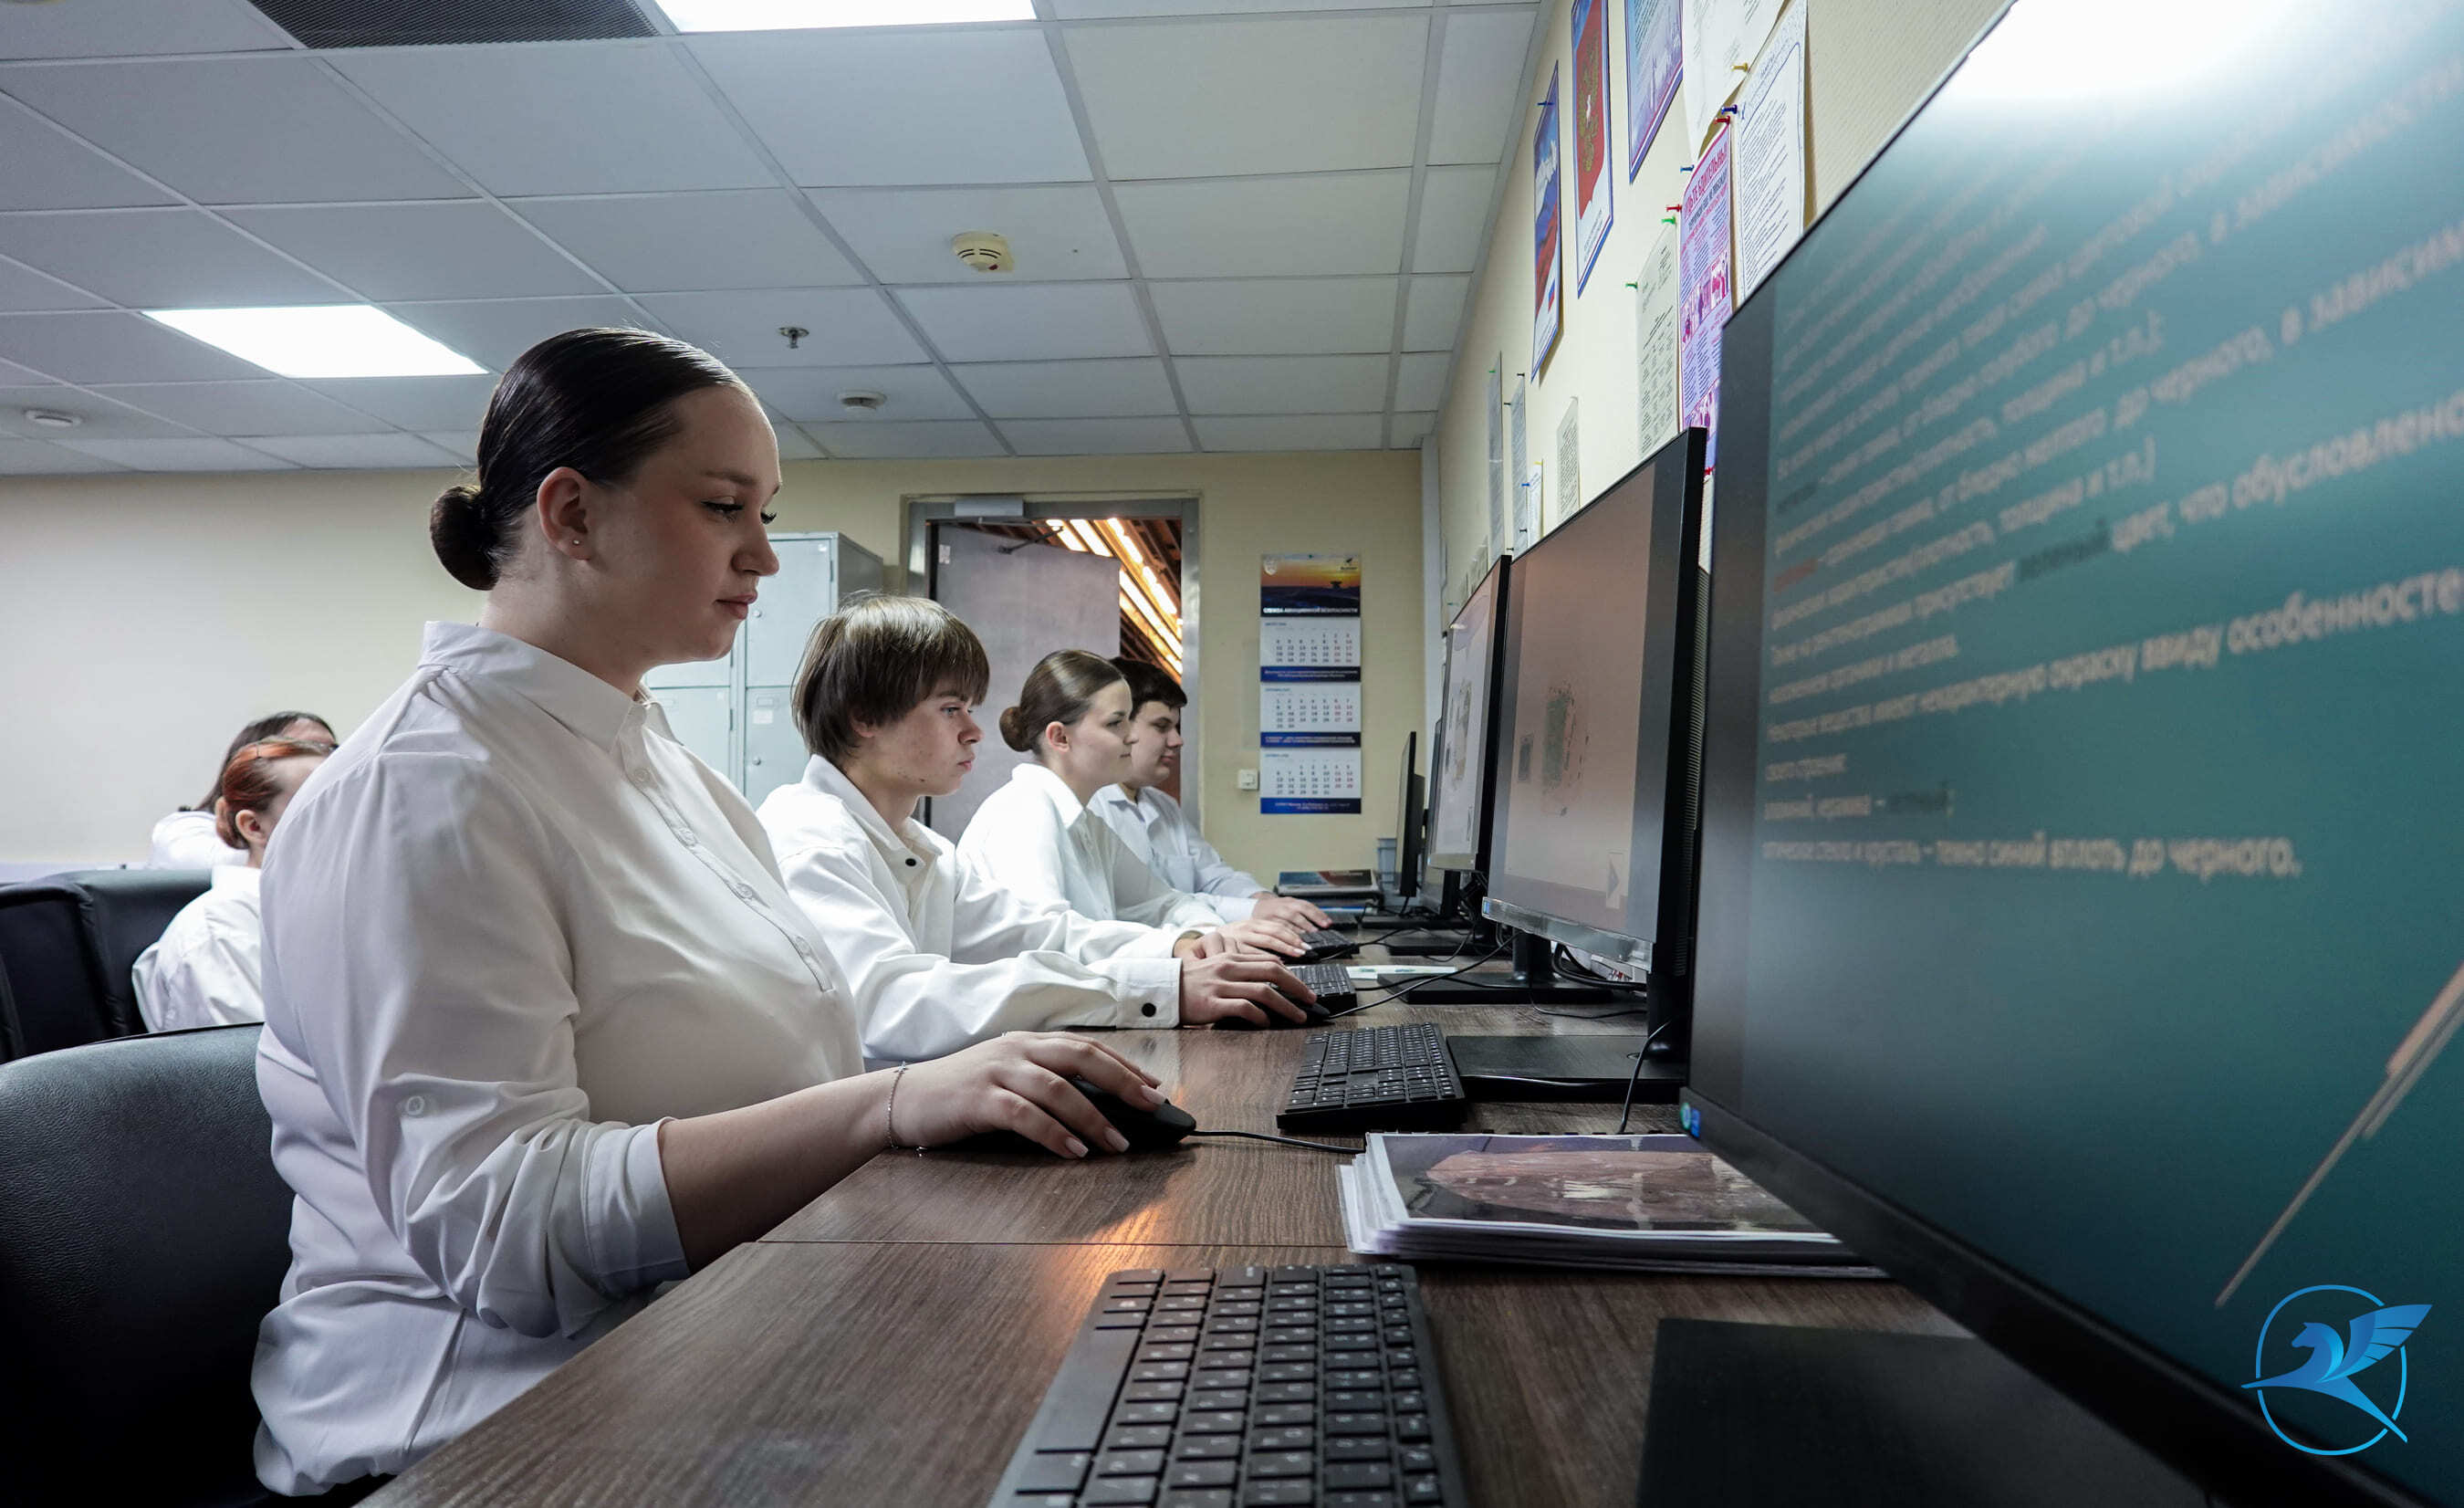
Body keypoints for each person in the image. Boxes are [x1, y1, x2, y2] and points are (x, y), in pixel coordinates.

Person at [248, 329, 1163, 1498]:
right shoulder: (420, 792)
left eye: (766, 513)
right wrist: (887, 1104)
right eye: (726, 507)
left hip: (717, 1331)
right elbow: (506, 1233)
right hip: (486, 1427)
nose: (763, 555)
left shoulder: (664, 767)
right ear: (572, 515)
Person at [758, 597, 1319, 1056]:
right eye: (952, 709)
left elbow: (1045, 934)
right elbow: (892, 1004)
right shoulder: (812, 838)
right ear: (864, 716)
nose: (974, 731)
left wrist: (1178, 951)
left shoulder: (925, 849)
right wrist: (1153, 987)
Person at [958, 651, 1309, 952]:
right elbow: (1049, 940)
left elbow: (1165, 902)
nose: (1131, 736)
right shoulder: (1023, 813)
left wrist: (1207, 937)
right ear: (1060, 737)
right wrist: (1178, 946)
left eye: (1128, 720)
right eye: (1116, 723)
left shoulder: (1088, 824)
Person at [1092, 657, 1333, 931]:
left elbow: (1214, 876)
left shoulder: (1164, 807)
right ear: (1120, 726)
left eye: (1176, 728)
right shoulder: (1092, 809)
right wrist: (1251, 910)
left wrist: (1264, 901)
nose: (1177, 740)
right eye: (1161, 726)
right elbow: (1148, 906)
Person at [131, 736, 331, 1032]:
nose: (348, 818)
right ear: (254, 827)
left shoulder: (338, 909)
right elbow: (248, 1053)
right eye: (321, 803)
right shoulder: (219, 929)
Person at [148, 711, 335, 868]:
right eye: (299, 748)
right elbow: (221, 861)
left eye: (333, 749)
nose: (328, 759)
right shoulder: (181, 829)